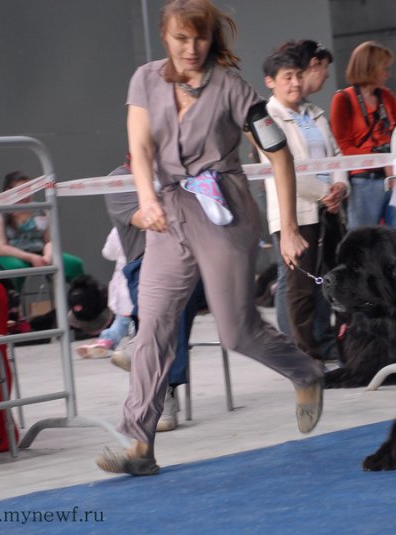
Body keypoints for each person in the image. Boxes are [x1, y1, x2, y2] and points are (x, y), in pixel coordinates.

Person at [96, 0, 324, 476]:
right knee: (152, 326)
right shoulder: (144, 80)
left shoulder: (234, 90)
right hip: (170, 213)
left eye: (199, 38)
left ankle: (304, 371)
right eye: (181, 38)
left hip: (225, 211)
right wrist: (147, 199)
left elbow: (279, 156)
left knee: (236, 332)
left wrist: (291, 229)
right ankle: (139, 444)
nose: (191, 48)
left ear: (211, 39)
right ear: (165, 37)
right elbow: (139, 146)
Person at [103, 156, 206, 433]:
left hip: (194, 257)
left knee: (182, 285)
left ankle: (144, 348)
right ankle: (165, 388)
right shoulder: (118, 180)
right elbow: (148, 219)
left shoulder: (179, 171)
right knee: (172, 293)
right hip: (145, 262)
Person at [258, 49, 348, 366]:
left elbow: (337, 154)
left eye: (298, 75)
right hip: (295, 213)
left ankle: (329, 345)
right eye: (287, 77)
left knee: (333, 282)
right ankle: (306, 356)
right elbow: (285, 168)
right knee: (300, 290)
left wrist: (340, 186)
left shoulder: (315, 113)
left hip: (329, 208)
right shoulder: (265, 120)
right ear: (270, 82)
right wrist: (326, 191)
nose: (295, 82)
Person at [329, 40, 396, 230]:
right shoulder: (343, 99)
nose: (387, 74)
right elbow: (343, 147)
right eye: (384, 68)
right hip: (364, 181)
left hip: (392, 177)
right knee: (363, 243)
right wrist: (382, 163)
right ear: (370, 68)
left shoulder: (386, 96)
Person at [0, 170, 85, 290]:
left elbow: (49, 241)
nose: (26, 195)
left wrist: (47, 256)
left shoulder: (41, 210)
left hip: (39, 253)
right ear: (8, 192)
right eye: (21, 191)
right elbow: (0, 248)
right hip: (6, 257)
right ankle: (13, 306)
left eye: (29, 190)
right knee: (17, 269)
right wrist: (31, 258)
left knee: (74, 264)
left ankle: (81, 302)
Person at [75, 227, 134, 359]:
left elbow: (108, 253)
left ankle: (106, 341)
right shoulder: (154, 222)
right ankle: (116, 343)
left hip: (126, 287)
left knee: (123, 320)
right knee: (138, 322)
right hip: (149, 285)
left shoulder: (119, 229)